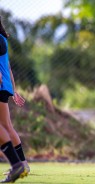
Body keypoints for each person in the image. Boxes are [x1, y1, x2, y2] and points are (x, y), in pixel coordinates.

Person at [0, 16, 30, 183]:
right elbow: (7, 65)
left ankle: (19, 165)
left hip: (1, 87)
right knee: (7, 127)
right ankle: (21, 165)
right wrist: (14, 89)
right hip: (5, 87)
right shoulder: (3, 37)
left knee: (5, 127)